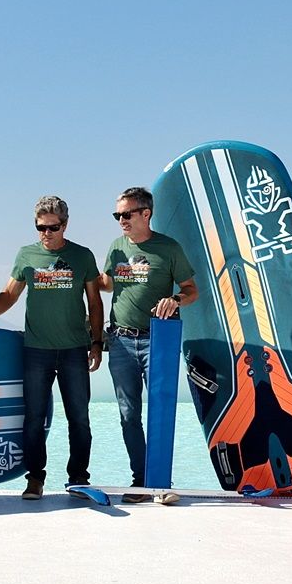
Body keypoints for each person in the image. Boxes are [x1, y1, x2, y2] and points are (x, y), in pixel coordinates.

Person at [0, 196, 103, 501]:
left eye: (52, 227)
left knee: (79, 418)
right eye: (40, 227)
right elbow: (9, 295)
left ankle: (78, 478)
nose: (46, 233)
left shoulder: (82, 256)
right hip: (36, 351)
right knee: (33, 418)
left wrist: (96, 341)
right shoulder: (26, 255)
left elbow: (94, 303)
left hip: (74, 349)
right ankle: (35, 479)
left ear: (65, 225)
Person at [98, 187, 198, 503]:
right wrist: (74, 268)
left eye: (126, 214)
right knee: (128, 414)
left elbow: (192, 290)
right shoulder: (116, 247)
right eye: (117, 215)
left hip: (158, 341)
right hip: (120, 342)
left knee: (161, 410)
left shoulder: (168, 248)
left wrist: (174, 299)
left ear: (145, 213)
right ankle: (141, 481)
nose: (121, 220)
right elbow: (107, 283)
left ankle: (161, 481)